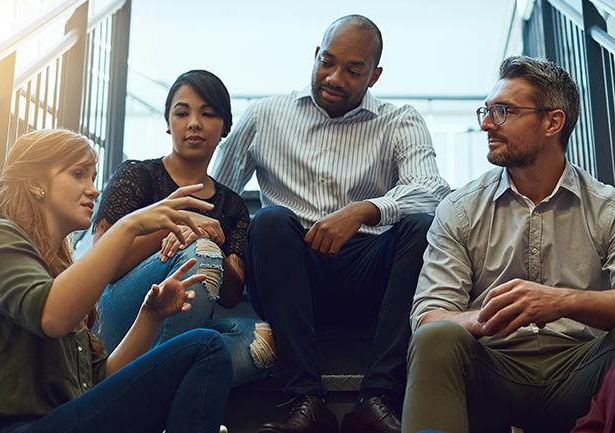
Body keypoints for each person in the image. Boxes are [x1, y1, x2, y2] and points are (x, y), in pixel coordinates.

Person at [212, 14, 450, 433]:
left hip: (369, 274)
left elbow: (431, 187)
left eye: (353, 70)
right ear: (316, 56)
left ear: (374, 76)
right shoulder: (264, 116)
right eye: (327, 62)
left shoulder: (400, 120)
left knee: (421, 226)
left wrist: (364, 210)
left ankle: (377, 398)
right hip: (291, 274)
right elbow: (221, 196)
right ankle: (304, 400)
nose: (334, 77)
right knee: (267, 222)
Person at [0, 129, 232, 433]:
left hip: (60, 421)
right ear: (36, 183)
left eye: (93, 178)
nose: (93, 190)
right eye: (78, 174)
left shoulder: (62, 275)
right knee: (205, 347)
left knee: (209, 350)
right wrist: (131, 224)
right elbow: (51, 316)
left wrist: (150, 316)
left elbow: (98, 382)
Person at [404, 56, 615, 433]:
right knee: (435, 337)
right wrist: (484, 318)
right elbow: (428, 315)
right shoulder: (460, 208)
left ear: (553, 121)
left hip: (584, 369)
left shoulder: (607, 208)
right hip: (493, 368)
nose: (486, 123)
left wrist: (560, 302)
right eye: (486, 111)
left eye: (503, 111)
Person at [92, 69, 275, 386]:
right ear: (168, 123)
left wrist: (214, 240)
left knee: (265, 341)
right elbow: (101, 267)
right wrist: (172, 227)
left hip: (182, 322)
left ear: (225, 127)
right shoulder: (137, 175)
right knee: (199, 253)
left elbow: (232, 295)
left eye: (208, 113)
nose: (194, 123)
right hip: (120, 317)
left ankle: (142, 383)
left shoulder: (231, 205)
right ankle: (165, 389)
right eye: (182, 112)